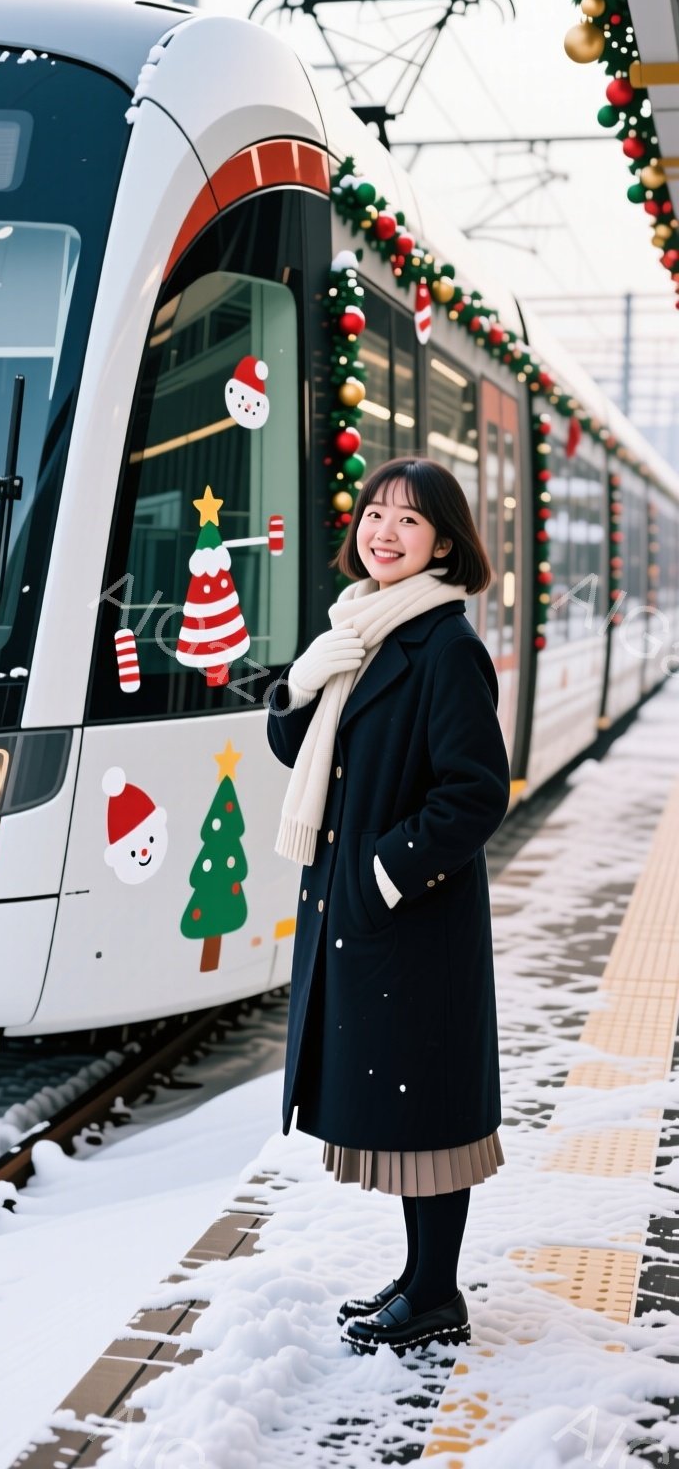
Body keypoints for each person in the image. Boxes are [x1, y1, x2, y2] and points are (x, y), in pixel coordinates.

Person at [266, 455, 510, 1357]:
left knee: (428, 1113)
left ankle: (437, 1292)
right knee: (403, 1110)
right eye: (374, 513)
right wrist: (301, 682)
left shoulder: (445, 646)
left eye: (408, 521)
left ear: (444, 543)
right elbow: (302, 750)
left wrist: (380, 875)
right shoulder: (359, 631)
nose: (383, 531)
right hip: (370, 917)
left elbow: (475, 794)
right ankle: (418, 1278)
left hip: (412, 920)